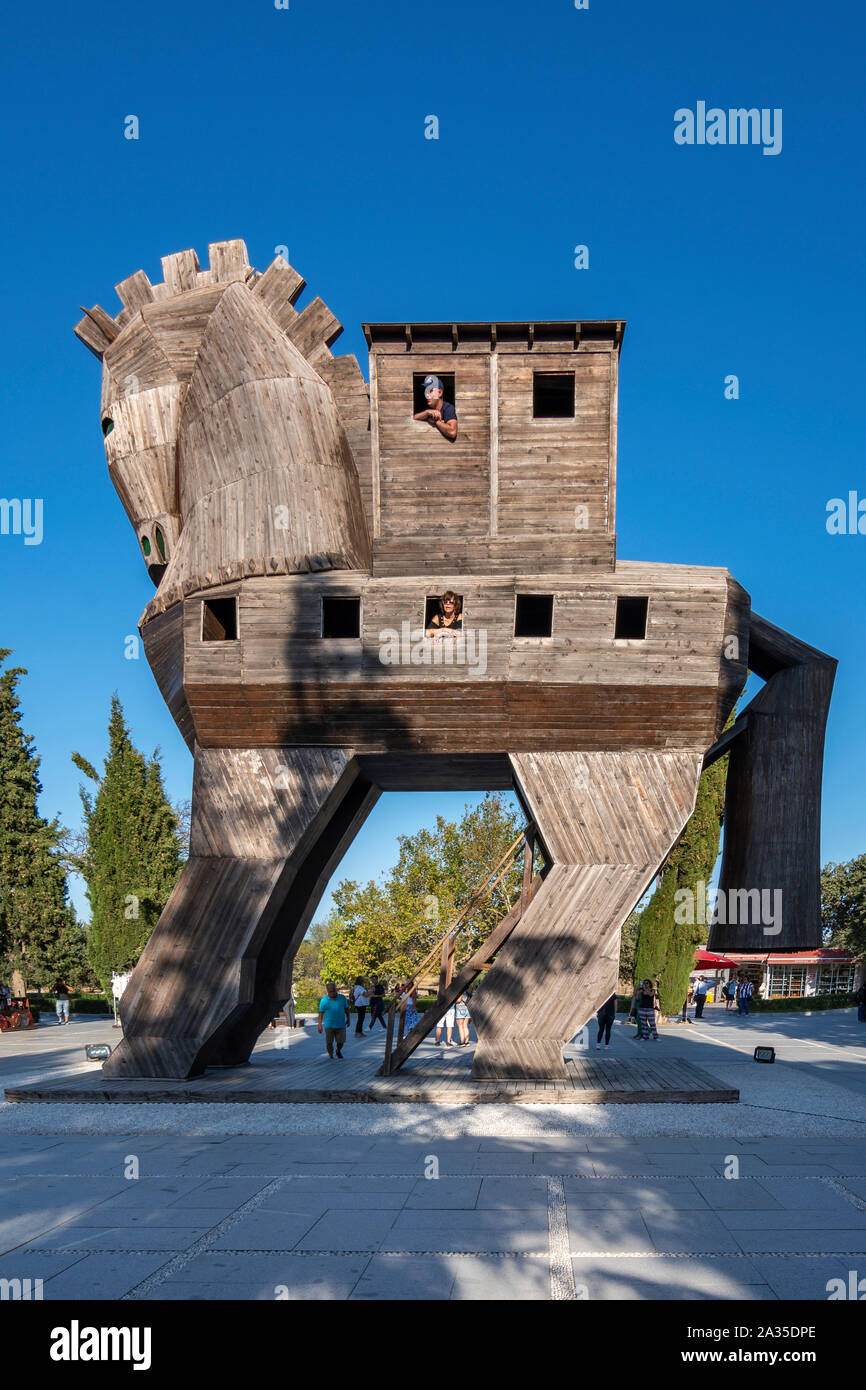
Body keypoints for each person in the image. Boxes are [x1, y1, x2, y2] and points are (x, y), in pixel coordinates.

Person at [413, 374, 458, 441]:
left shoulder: (448, 408)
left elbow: (452, 432)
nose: (427, 395)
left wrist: (436, 422)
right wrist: (426, 413)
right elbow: (412, 418)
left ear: (439, 393)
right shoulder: (426, 409)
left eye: (430, 391)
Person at [318, 981, 350, 1058]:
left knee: (341, 1042)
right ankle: (331, 1056)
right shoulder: (324, 1000)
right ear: (327, 991)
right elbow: (321, 1013)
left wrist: (348, 1019)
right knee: (329, 1043)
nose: (332, 993)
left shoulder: (342, 998)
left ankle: (338, 1051)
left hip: (341, 1024)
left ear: (336, 989)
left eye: (333, 990)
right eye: (330, 991)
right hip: (329, 1025)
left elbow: (346, 1009)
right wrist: (319, 1025)